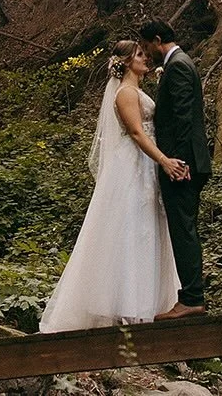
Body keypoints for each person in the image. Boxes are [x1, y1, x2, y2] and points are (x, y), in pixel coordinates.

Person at [38, 40, 188, 332]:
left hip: (146, 163)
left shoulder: (136, 90)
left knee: (147, 228)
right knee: (134, 230)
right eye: (140, 55)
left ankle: (147, 306)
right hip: (135, 165)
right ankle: (131, 308)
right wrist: (164, 160)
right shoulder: (126, 93)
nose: (146, 58)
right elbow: (136, 133)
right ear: (127, 62)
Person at [139, 18, 212, 319]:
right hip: (188, 162)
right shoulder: (179, 63)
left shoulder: (178, 66)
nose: (146, 53)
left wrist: (177, 163)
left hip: (183, 165)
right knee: (184, 229)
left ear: (157, 40)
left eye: (146, 46)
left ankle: (192, 298)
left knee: (183, 231)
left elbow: (183, 118)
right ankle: (191, 296)